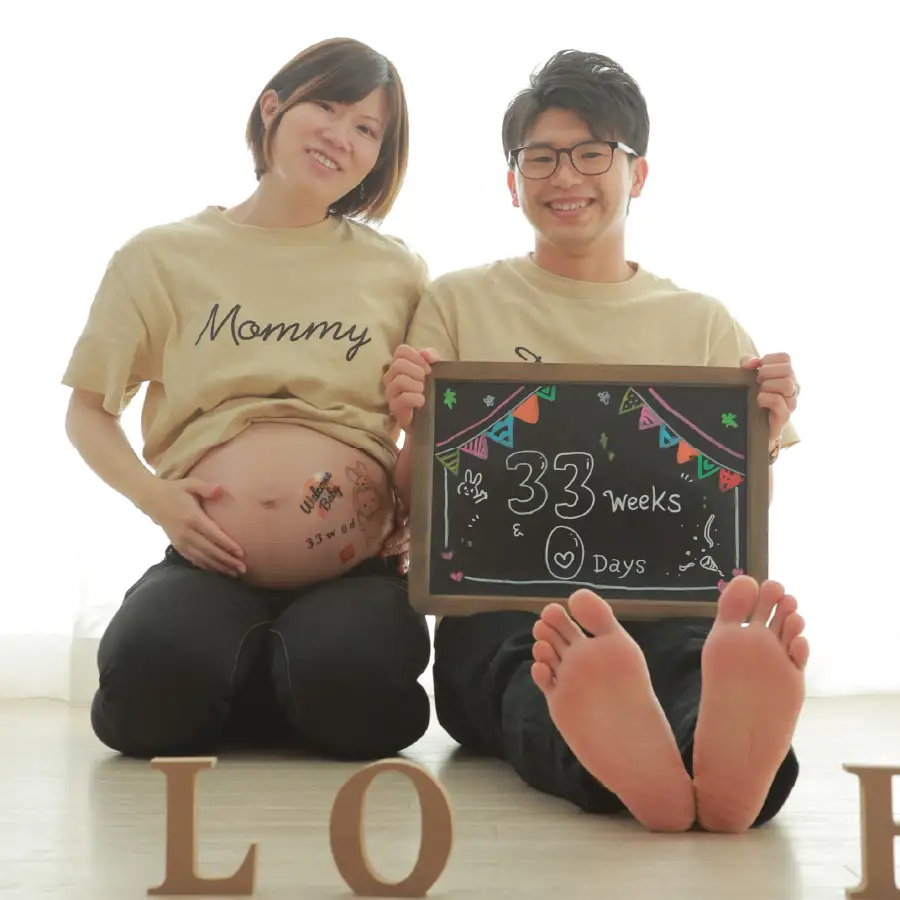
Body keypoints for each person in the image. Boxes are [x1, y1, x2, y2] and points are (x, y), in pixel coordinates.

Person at [384, 50, 808, 833]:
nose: (564, 176)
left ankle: (727, 773)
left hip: (670, 603)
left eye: (590, 153)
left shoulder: (702, 322)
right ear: (512, 181)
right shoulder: (457, 303)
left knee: (694, 665)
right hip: (500, 604)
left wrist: (763, 436)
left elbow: (733, 519)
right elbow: (419, 506)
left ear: (637, 174)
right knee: (527, 669)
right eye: (540, 157)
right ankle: (644, 765)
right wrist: (414, 420)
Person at [62, 38, 432, 762]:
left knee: (365, 708)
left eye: (366, 128)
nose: (341, 135)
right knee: (140, 710)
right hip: (208, 562)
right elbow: (87, 412)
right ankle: (262, 668)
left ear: (378, 157)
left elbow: (418, 428)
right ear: (272, 108)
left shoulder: (398, 271)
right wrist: (158, 500)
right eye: (327, 107)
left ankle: (271, 672)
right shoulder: (159, 257)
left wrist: (417, 485)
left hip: (351, 569)